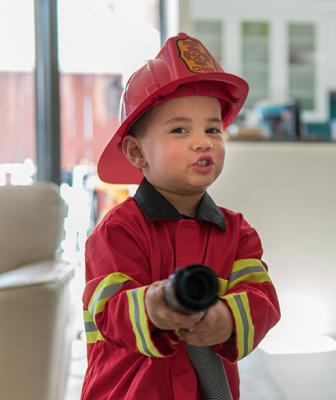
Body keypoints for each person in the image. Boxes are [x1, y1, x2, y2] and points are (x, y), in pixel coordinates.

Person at [81, 32, 280, 400]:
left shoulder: (237, 233)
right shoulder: (117, 232)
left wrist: (227, 319)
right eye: (179, 130)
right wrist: (154, 307)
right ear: (137, 152)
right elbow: (109, 310)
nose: (203, 141)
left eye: (212, 129)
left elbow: (262, 298)